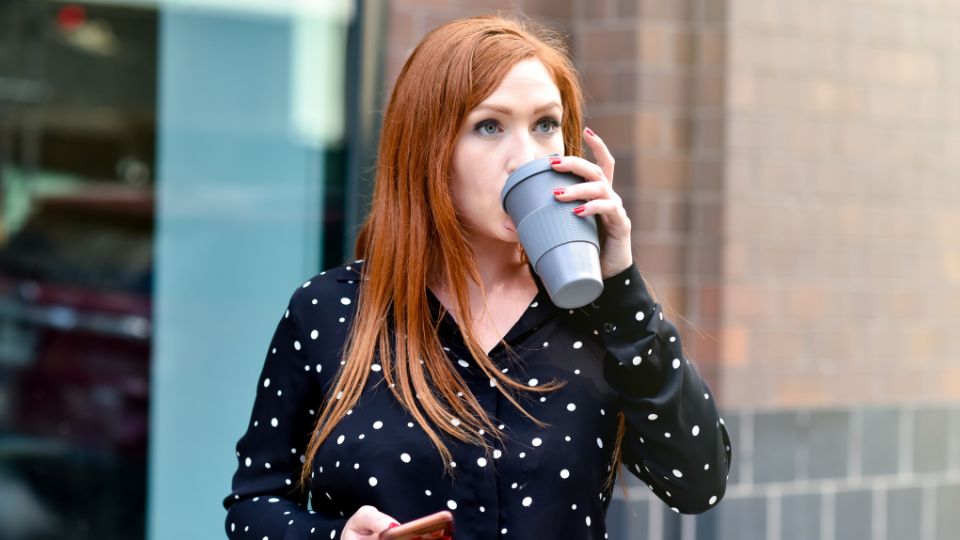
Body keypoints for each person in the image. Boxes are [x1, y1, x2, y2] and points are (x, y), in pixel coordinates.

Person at [223, 15, 731, 540]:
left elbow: (698, 483)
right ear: (429, 151)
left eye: (546, 125)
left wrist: (622, 285)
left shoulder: (598, 314)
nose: (527, 158)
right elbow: (254, 502)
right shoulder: (329, 310)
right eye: (490, 126)